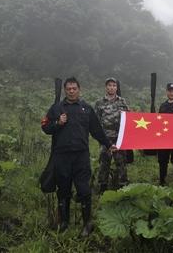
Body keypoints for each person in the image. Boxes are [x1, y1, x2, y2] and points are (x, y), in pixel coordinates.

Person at [41, 77, 115, 236]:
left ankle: (87, 224)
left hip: (81, 156)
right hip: (61, 156)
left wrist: (108, 145)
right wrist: (58, 123)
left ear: (79, 90)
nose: (72, 91)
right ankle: (64, 223)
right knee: (63, 190)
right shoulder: (56, 108)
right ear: (65, 90)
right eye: (69, 89)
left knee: (84, 189)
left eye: (74, 88)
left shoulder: (86, 109)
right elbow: (45, 127)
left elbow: (96, 130)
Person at [94, 77, 129, 193]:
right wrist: (100, 138)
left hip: (119, 138)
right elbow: (96, 122)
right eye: (109, 85)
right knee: (104, 163)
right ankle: (103, 188)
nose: (111, 87)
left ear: (116, 88)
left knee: (121, 163)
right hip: (105, 139)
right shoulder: (99, 103)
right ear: (106, 87)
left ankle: (122, 186)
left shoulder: (122, 101)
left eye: (114, 85)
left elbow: (128, 118)